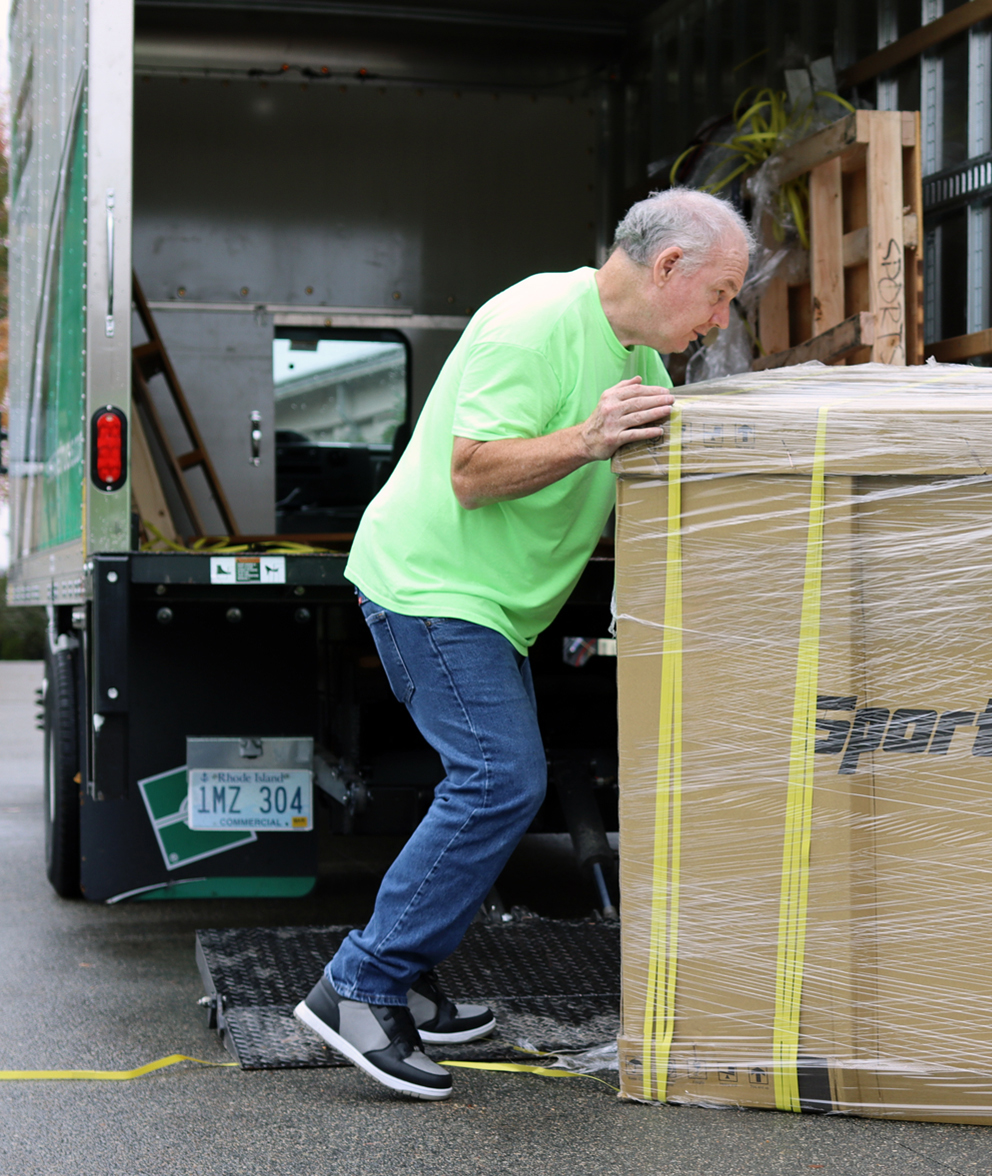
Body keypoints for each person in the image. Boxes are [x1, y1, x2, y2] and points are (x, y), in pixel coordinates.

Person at [295, 188, 753, 1100]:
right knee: (501, 781)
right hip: (430, 585)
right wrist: (587, 439)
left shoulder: (642, 365)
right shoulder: (533, 320)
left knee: (491, 783)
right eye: (721, 293)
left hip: (493, 605)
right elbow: (471, 473)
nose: (720, 316)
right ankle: (359, 984)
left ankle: (408, 974)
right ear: (668, 268)